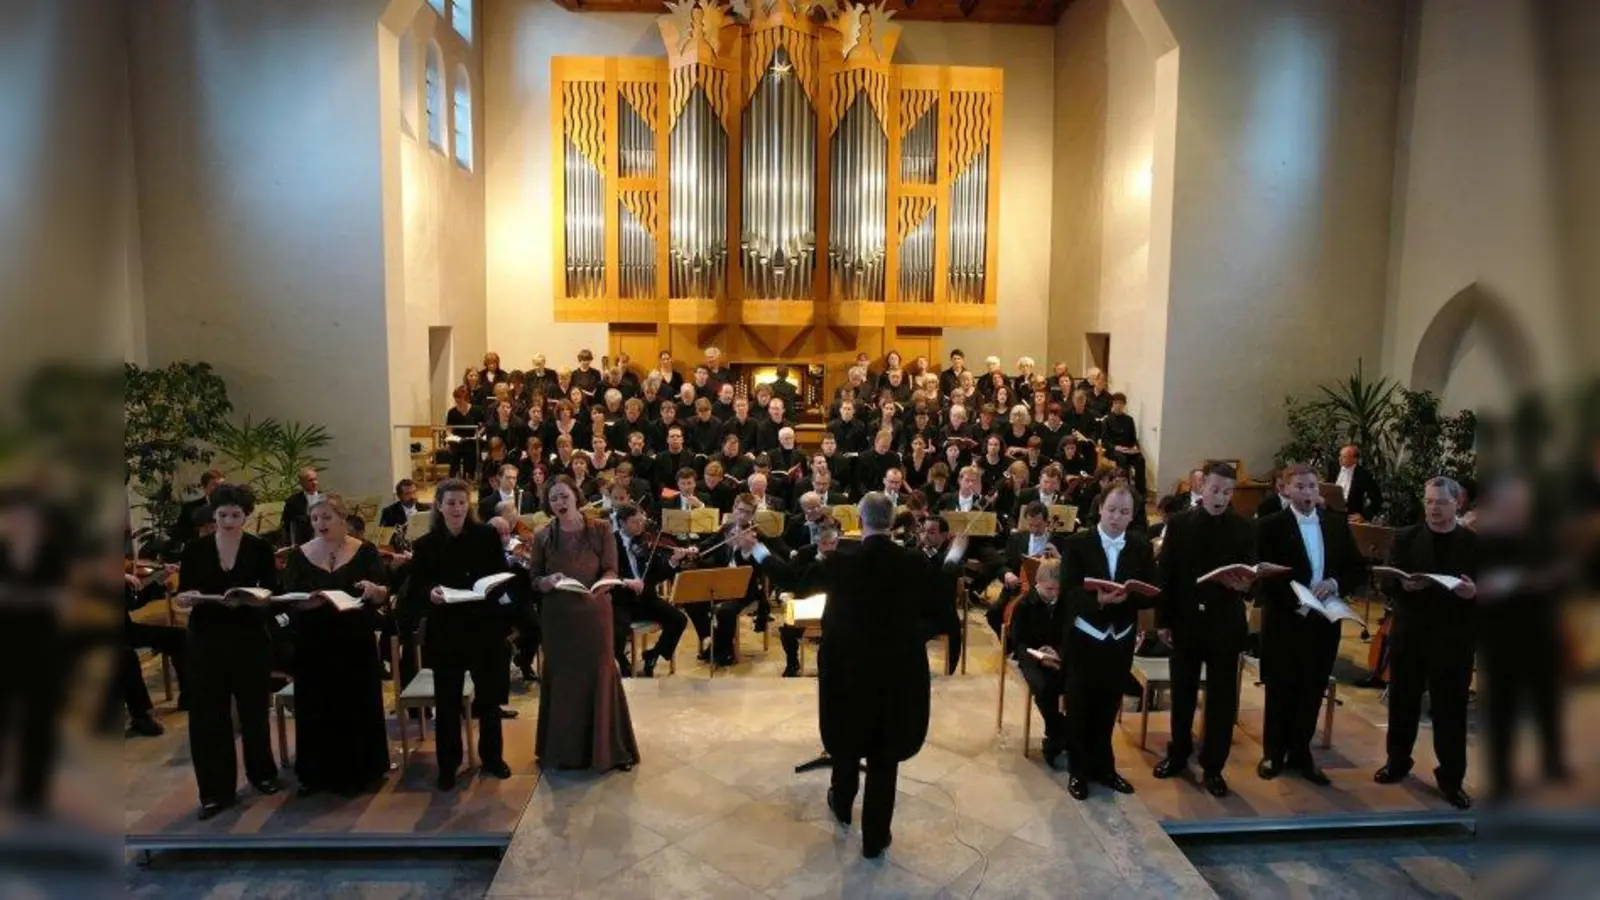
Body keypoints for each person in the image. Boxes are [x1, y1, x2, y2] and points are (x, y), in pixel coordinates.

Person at [749, 493, 966, 859]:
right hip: (897, 673)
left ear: (861, 521)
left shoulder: (841, 562)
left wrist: (756, 549)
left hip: (848, 670)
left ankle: (842, 801)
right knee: (885, 754)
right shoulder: (913, 561)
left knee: (847, 741)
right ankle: (875, 837)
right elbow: (941, 591)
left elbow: (794, 580)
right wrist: (956, 553)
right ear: (892, 522)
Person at [175, 484, 280, 819]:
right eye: (223, 515)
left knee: (254, 710)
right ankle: (215, 791)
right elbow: (183, 593)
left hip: (248, 635)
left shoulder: (260, 548)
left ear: (247, 516)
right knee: (208, 716)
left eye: (236, 515)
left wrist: (252, 599)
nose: (229, 522)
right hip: (206, 638)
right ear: (213, 513)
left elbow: (272, 592)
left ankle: (262, 774)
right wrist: (187, 598)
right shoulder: (195, 550)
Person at [1253, 464, 1363, 786]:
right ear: (1285, 490)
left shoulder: (1335, 524)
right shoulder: (1271, 526)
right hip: (1285, 620)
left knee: (1312, 688)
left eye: (1312, 487)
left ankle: (1302, 752)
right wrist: (1295, 599)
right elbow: (1260, 575)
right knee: (1280, 687)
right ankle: (1273, 752)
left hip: (1323, 622)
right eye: (1300, 487)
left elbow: (1356, 568)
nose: (1307, 493)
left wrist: (1334, 581)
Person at [1372, 476, 1478, 809]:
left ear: (1457, 503)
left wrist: (1474, 592)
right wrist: (1403, 587)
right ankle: (1397, 762)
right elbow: (1386, 582)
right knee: (1402, 702)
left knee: (1450, 710)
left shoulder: (1474, 543)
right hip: (1411, 634)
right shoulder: (1406, 537)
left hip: (1453, 638)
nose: (1434, 508)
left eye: (1441, 502)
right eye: (1429, 501)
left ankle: (1451, 778)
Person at [1152, 461, 1256, 798]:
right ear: (1200, 488)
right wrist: (1162, 621)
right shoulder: (1180, 524)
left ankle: (1214, 766)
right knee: (1182, 693)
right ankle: (1179, 754)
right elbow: (1166, 575)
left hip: (1225, 623)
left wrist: (1244, 586)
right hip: (1186, 621)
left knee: (1222, 699)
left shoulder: (1242, 528)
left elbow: (1251, 577)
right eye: (1214, 490)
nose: (1221, 497)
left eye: (1227, 492)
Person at [279, 495, 392, 796]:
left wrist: (373, 590)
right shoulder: (299, 555)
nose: (320, 524)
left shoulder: (364, 551)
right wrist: (306, 603)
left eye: (327, 517)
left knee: (355, 702)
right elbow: (289, 599)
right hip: (314, 642)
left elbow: (382, 592)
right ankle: (316, 773)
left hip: (354, 638)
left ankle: (361, 770)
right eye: (315, 519)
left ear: (343, 519)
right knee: (316, 704)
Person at [407, 479, 514, 790]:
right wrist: (432, 594)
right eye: (450, 503)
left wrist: (491, 587)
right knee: (448, 702)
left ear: (469, 506)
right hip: (447, 630)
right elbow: (416, 590)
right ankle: (448, 765)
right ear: (439, 506)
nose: (457, 508)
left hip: (483, 627)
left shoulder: (486, 536)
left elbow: (500, 575)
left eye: (462, 503)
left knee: (489, 700)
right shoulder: (426, 545)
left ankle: (492, 758)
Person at [527, 476, 640, 771]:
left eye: (564, 496)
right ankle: (566, 752)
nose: (560, 503)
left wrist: (603, 582)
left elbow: (611, 568)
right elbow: (533, 579)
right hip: (558, 617)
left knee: (601, 673)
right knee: (564, 678)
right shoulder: (542, 536)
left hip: (594, 611)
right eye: (553, 499)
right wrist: (546, 582)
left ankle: (610, 751)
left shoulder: (601, 529)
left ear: (576, 496)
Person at [1060, 482, 1154, 799]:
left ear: (1133, 516)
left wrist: (1128, 597)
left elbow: (1148, 591)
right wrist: (1097, 601)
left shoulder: (1141, 546)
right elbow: (1068, 591)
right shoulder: (1078, 543)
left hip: (1121, 637)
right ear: (1100, 508)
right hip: (1085, 635)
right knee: (1080, 705)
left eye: (1124, 512)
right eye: (1111, 509)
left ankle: (1105, 768)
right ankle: (1078, 771)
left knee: (1108, 704)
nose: (1116, 517)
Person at [612, 504, 690, 677]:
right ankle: (622, 661)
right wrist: (625, 582)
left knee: (679, 619)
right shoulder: (610, 544)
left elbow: (657, 575)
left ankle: (653, 654)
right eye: (635, 522)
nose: (641, 526)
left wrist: (674, 562)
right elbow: (604, 574)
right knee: (616, 631)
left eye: (642, 521)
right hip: (620, 600)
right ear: (621, 523)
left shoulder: (647, 543)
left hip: (646, 599)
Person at [1007, 558, 1071, 769]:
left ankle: (1061, 735)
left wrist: (1058, 652)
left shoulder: (1064, 604)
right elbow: (1018, 641)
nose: (1054, 594)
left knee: (1077, 681)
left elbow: (1069, 635)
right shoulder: (1025, 604)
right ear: (1038, 584)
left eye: (1058, 589)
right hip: (1030, 655)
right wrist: (1040, 655)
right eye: (1049, 589)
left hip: (1058, 654)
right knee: (1044, 687)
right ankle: (1059, 733)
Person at [1331, 444, 1383, 521]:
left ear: (1354, 460)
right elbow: (1328, 485)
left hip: (1349, 514)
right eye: (1340, 456)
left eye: (1344, 457)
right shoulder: (1334, 467)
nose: (1340, 459)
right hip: (1331, 510)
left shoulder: (1363, 475)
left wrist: (1364, 515)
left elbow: (1377, 498)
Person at [280, 467, 323, 547]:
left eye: (315, 479)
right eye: (310, 480)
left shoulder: (325, 498)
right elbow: (286, 526)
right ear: (302, 483)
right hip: (302, 542)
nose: (314, 483)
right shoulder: (292, 502)